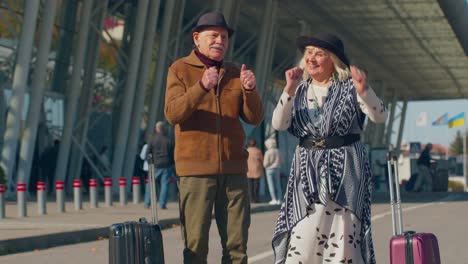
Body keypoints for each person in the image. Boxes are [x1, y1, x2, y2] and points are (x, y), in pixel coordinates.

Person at [270, 32, 387, 263]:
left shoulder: (349, 88)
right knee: (303, 234)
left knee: (342, 236)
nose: (311, 58)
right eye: (308, 53)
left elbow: (380, 117)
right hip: (307, 170)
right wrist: (289, 89)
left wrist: (365, 91)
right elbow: (278, 123)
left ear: (333, 60)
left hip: (346, 169)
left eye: (319, 54)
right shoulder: (299, 90)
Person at [164, 11, 264, 264]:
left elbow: (254, 118)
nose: (220, 41)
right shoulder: (180, 69)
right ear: (197, 38)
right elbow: (173, 113)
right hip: (196, 172)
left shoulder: (234, 72)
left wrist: (250, 90)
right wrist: (201, 87)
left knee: (237, 248)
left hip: (234, 171)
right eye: (213, 36)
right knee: (196, 247)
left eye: (224, 37)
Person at [145, 121, 174, 210]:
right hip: (166, 164)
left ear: (157, 129)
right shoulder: (168, 140)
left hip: (155, 164)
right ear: (163, 129)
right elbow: (172, 153)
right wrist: (172, 163)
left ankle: (147, 203)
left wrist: (149, 162)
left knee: (151, 184)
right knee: (164, 184)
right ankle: (162, 204)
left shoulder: (152, 139)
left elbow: (148, 152)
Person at [263, 138, 282, 205]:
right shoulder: (278, 151)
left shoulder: (267, 152)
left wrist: (265, 166)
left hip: (269, 169)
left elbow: (265, 163)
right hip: (277, 168)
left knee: (271, 185)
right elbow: (281, 160)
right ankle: (279, 199)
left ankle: (274, 199)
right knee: (278, 184)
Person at [246, 138, 264, 203]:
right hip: (257, 170)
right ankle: (256, 199)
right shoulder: (258, 151)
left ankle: (251, 199)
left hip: (248, 171)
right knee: (256, 186)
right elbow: (262, 160)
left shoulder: (247, 151)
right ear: (255, 144)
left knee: (250, 186)